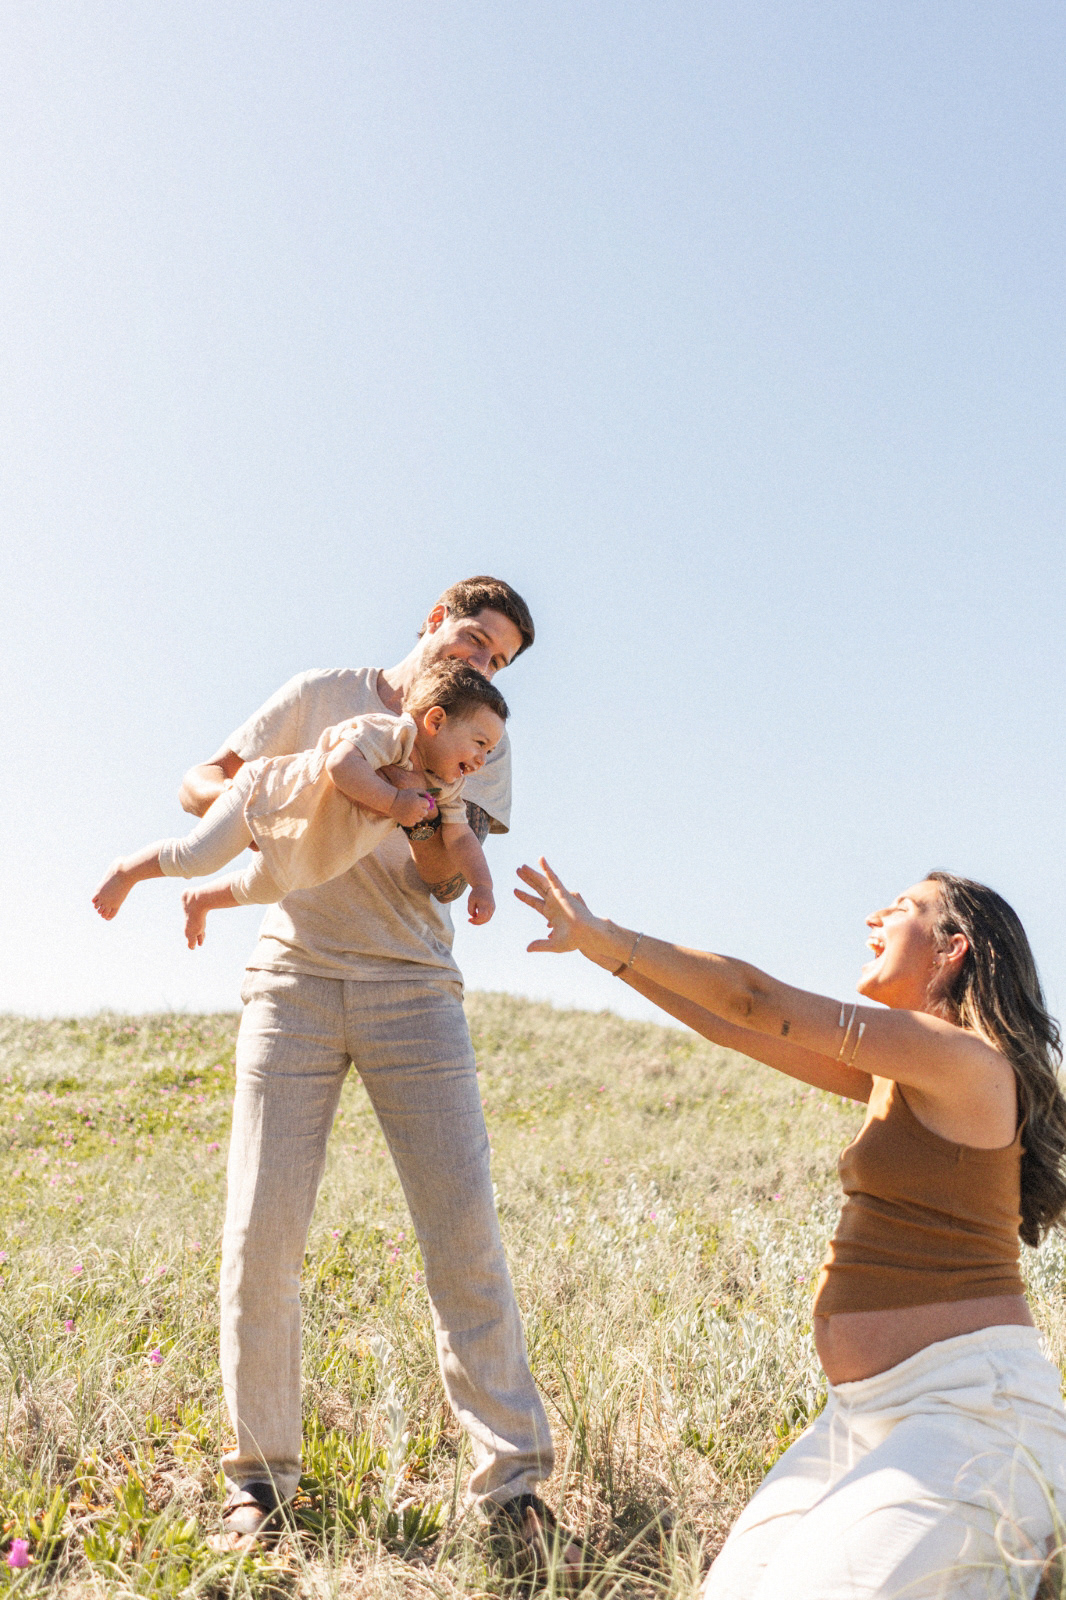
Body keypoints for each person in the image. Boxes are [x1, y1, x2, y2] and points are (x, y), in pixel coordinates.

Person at [515, 859, 1066, 1599]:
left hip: (972, 1412)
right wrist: (603, 952)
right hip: (863, 1413)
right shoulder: (897, 1070)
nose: (875, 919)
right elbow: (728, 1025)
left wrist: (609, 932)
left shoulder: (966, 1061)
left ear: (952, 947)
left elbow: (752, 999)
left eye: (901, 907)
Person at [176, 578, 579, 1572]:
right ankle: (258, 1482)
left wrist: (427, 819)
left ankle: (512, 1487)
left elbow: (447, 875)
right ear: (433, 620)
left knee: (463, 1234)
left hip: (412, 989)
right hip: (293, 981)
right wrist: (279, 789)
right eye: (476, 639)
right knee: (260, 1231)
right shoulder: (321, 693)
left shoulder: (482, 739)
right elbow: (205, 779)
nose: (484, 662)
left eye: (500, 660)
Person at [91, 660, 505, 948]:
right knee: (196, 857)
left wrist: (482, 884)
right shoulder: (389, 732)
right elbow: (342, 764)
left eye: (490, 750)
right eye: (480, 743)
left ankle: (201, 901)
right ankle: (127, 870)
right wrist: (395, 801)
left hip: (309, 841)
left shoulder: (444, 786)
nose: (482, 760)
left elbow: (460, 836)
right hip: (267, 793)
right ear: (435, 722)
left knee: (266, 886)